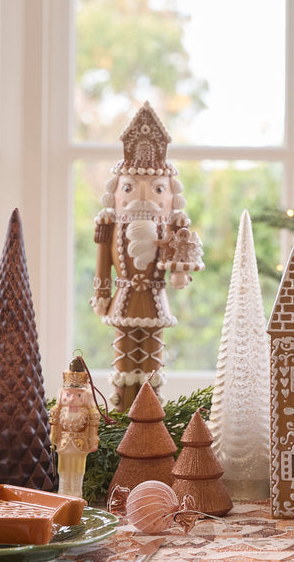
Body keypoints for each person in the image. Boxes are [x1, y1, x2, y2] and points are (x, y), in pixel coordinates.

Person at [91, 102, 203, 412]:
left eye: (155, 189)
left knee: (152, 358)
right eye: (129, 188)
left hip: (155, 299)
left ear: (169, 196)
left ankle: (150, 417)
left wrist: (180, 271)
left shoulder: (173, 228)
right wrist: (101, 293)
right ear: (116, 193)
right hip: (124, 298)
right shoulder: (109, 225)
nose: (142, 197)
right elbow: (103, 262)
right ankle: (124, 410)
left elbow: (178, 259)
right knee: (125, 357)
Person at [51, 356, 102, 500]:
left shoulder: (89, 411)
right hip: (64, 443)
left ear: (85, 396)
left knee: (78, 471)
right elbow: (55, 424)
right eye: (68, 395)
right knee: (64, 471)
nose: (72, 399)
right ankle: (63, 494)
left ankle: (76, 496)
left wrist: (93, 441)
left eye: (78, 395)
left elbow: (93, 426)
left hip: (80, 443)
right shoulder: (60, 409)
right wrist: (53, 436)